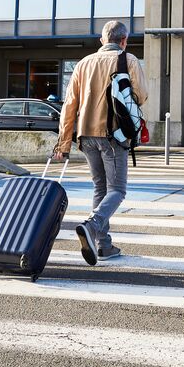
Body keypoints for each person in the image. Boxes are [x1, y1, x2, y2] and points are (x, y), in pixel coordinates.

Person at [55, 20, 149, 264]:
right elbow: (141, 96)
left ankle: (103, 245)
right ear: (124, 40)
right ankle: (92, 225)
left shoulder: (84, 63)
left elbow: (70, 104)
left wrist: (63, 143)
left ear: (102, 40)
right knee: (117, 190)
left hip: (85, 134)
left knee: (100, 188)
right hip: (114, 135)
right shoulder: (128, 60)